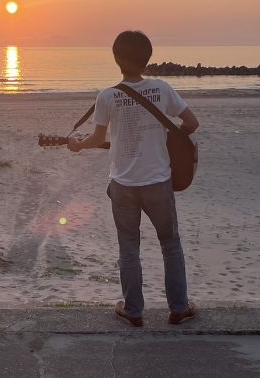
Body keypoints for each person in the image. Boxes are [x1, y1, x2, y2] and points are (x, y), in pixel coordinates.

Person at [67, 30, 199, 327]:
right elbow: (191, 123)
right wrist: (169, 142)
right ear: (148, 59)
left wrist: (78, 144)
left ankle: (134, 310)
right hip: (157, 182)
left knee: (128, 246)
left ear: (116, 59)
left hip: (123, 185)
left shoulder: (108, 96)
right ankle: (178, 308)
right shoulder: (162, 89)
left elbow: (98, 138)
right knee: (170, 244)